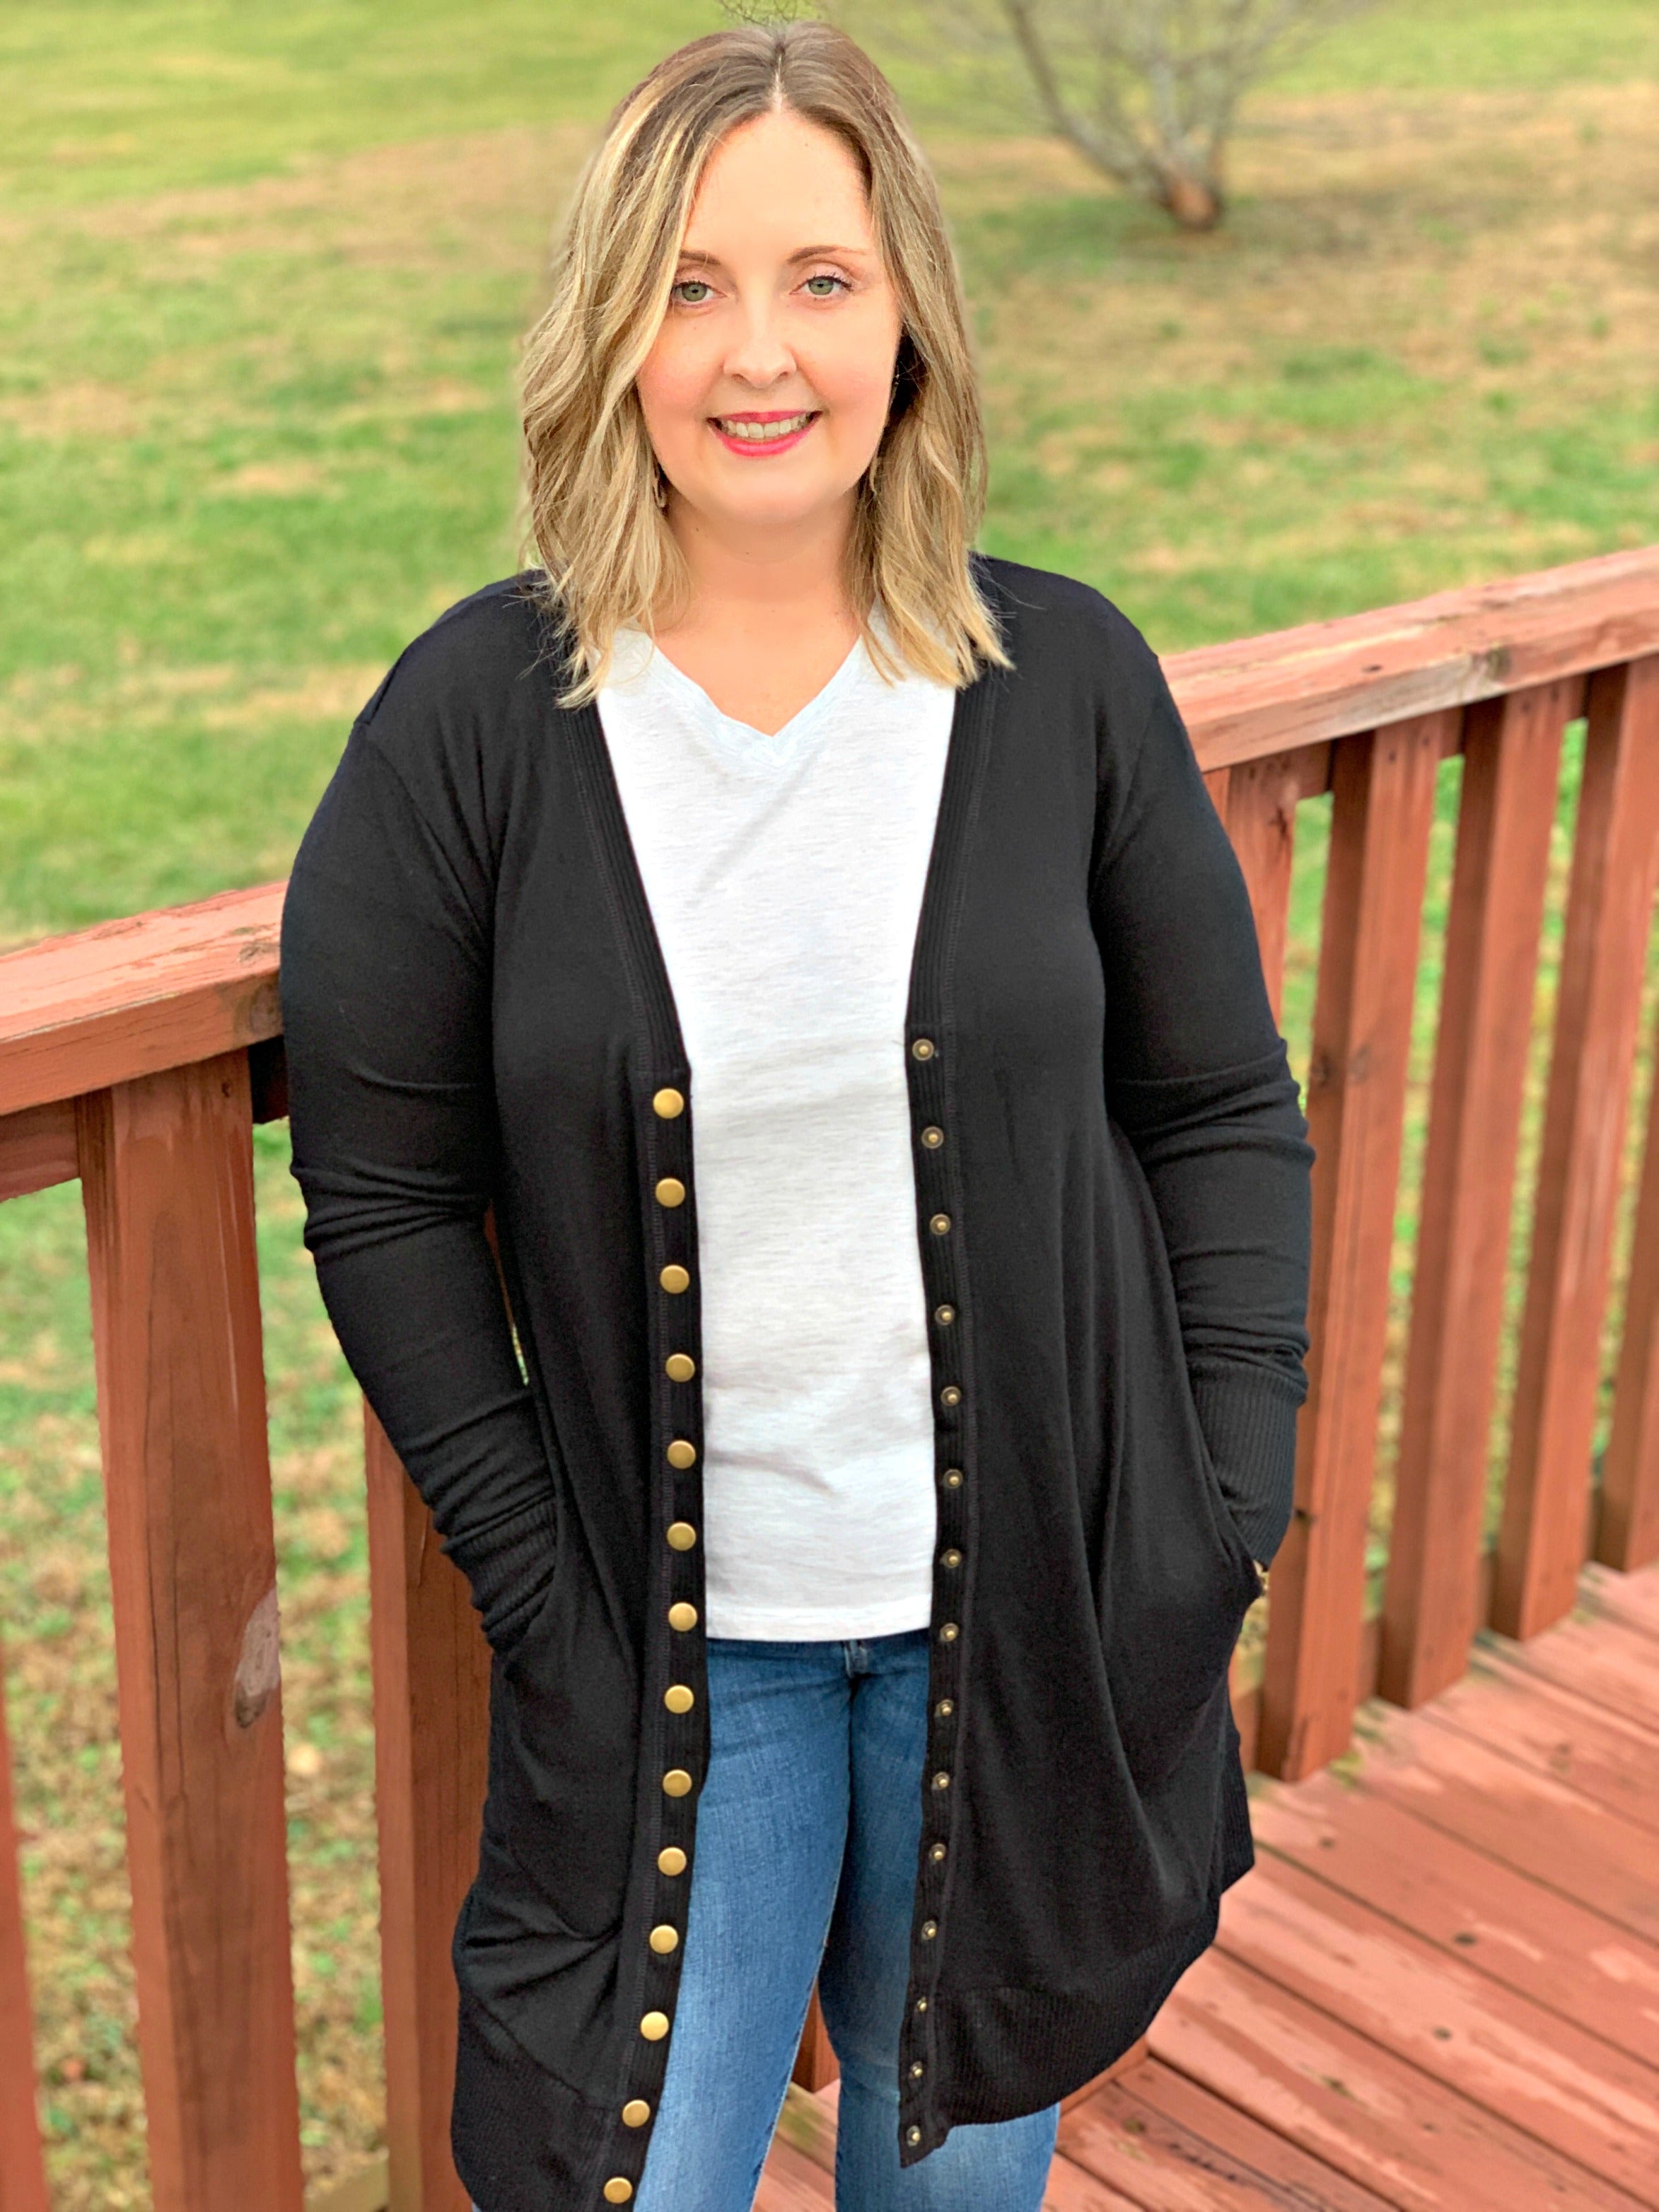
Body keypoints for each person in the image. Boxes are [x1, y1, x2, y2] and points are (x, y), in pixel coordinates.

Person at [279, 22, 1314, 2212]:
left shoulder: (1062, 684)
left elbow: (1218, 1107)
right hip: (685, 1674)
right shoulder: (478, 723)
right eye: (690, 284)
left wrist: (1222, 1512)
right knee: (634, 2178)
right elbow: (382, 1192)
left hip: (1021, 1634)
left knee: (954, 2184)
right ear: (609, 329)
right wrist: (542, 1593)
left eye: (820, 279)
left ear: (904, 311)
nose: (760, 352)